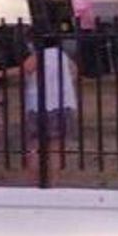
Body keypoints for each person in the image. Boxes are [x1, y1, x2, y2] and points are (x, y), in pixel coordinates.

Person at [21, 34, 78, 177]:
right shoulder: (62, 55)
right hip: (62, 104)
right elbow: (74, 72)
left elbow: (26, 69)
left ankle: (35, 182)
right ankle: (52, 184)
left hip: (40, 105)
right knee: (55, 149)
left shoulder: (39, 55)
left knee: (34, 147)